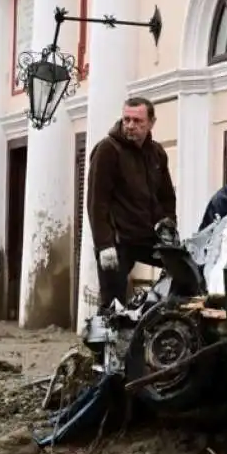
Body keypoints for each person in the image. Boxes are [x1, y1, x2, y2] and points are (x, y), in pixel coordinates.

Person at [87, 97, 177, 310]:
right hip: (118, 240)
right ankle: (104, 341)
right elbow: (97, 201)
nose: (130, 125)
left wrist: (169, 227)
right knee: (112, 302)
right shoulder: (107, 150)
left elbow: (166, 196)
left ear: (151, 123)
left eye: (138, 121)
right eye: (127, 119)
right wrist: (104, 245)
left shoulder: (157, 153)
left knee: (182, 269)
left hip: (149, 236)